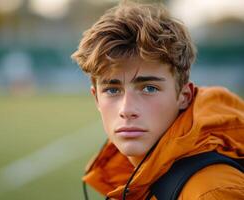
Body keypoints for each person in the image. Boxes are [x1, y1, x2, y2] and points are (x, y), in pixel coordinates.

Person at [71, 1, 244, 199]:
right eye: (112, 90)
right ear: (96, 99)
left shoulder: (212, 191)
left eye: (149, 88)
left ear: (183, 97)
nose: (127, 109)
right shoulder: (139, 174)